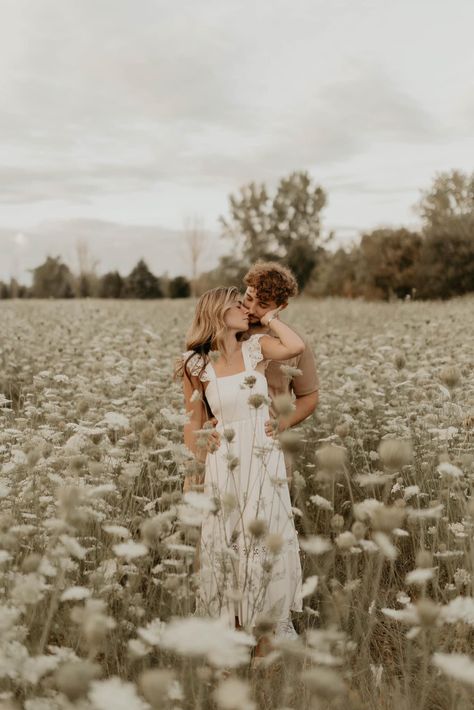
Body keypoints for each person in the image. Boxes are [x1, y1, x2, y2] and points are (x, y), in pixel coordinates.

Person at [177, 286, 304, 652]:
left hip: (263, 454)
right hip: (225, 458)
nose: (245, 309)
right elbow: (193, 422)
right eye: (238, 304)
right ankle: (231, 627)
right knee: (227, 539)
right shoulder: (196, 363)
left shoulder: (256, 348)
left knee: (264, 537)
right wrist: (202, 445)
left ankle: (266, 633)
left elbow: (294, 347)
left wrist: (269, 319)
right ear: (218, 311)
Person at [207, 262, 319, 459]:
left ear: (281, 307)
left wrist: (283, 422)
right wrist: (205, 422)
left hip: (269, 447)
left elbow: (309, 398)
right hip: (225, 447)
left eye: (263, 305)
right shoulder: (225, 334)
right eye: (248, 298)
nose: (251, 309)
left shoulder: (293, 343)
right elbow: (204, 387)